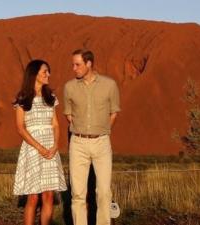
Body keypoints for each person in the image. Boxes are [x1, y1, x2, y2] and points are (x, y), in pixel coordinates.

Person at [63, 49, 120, 225]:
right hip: (78, 142)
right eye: (73, 64)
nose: (74, 68)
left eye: (77, 64)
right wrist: (81, 131)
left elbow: (114, 112)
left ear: (89, 64)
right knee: (78, 193)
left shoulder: (109, 85)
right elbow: (68, 115)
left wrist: (101, 130)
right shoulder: (69, 87)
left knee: (103, 191)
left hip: (102, 142)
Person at [13, 59, 67, 225]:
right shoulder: (22, 98)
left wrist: (55, 145)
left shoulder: (50, 97)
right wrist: (39, 147)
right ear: (34, 74)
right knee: (33, 196)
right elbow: (20, 128)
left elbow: (56, 125)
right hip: (33, 148)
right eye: (45, 72)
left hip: (50, 148)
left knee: (49, 195)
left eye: (48, 71)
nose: (48, 75)